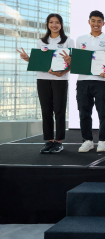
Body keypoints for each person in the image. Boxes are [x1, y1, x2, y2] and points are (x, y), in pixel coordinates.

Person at [17, 14, 75, 154]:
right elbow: (40, 61)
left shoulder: (68, 41)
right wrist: (28, 59)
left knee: (59, 110)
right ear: (47, 24)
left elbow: (73, 62)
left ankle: (59, 141)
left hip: (60, 80)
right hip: (42, 78)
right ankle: (49, 141)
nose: (54, 25)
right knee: (46, 110)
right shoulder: (41, 41)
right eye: (51, 22)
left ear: (61, 24)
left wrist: (64, 69)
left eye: (57, 22)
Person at [69, 10, 105, 153]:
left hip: (101, 81)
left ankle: (102, 140)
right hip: (83, 81)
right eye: (93, 21)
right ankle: (87, 140)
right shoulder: (80, 39)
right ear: (89, 22)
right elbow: (77, 60)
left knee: (103, 112)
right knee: (84, 112)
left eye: (99, 21)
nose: (96, 24)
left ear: (103, 23)